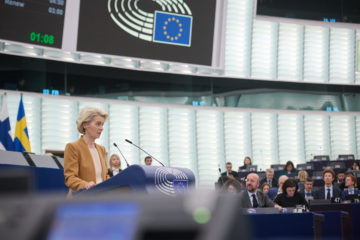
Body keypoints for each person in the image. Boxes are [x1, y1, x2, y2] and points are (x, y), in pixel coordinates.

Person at [64, 106, 110, 197]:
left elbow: (104, 176)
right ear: (85, 125)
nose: (101, 128)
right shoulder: (73, 147)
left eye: (102, 124)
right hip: (81, 201)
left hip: (100, 200)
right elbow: (70, 178)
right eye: (98, 124)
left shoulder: (102, 149)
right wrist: (85, 185)